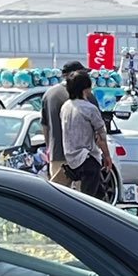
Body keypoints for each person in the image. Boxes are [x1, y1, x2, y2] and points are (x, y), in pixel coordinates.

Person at [59, 69, 112, 201]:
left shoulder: (65, 107)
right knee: (89, 201)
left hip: (71, 159)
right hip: (87, 158)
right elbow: (101, 136)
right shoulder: (89, 108)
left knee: (100, 197)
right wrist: (107, 156)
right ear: (85, 89)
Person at [41, 60, 86, 187]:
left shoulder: (49, 94)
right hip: (81, 156)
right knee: (81, 196)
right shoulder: (85, 94)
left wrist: (49, 147)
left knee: (57, 194)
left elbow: (45, 126)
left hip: (57, 154)